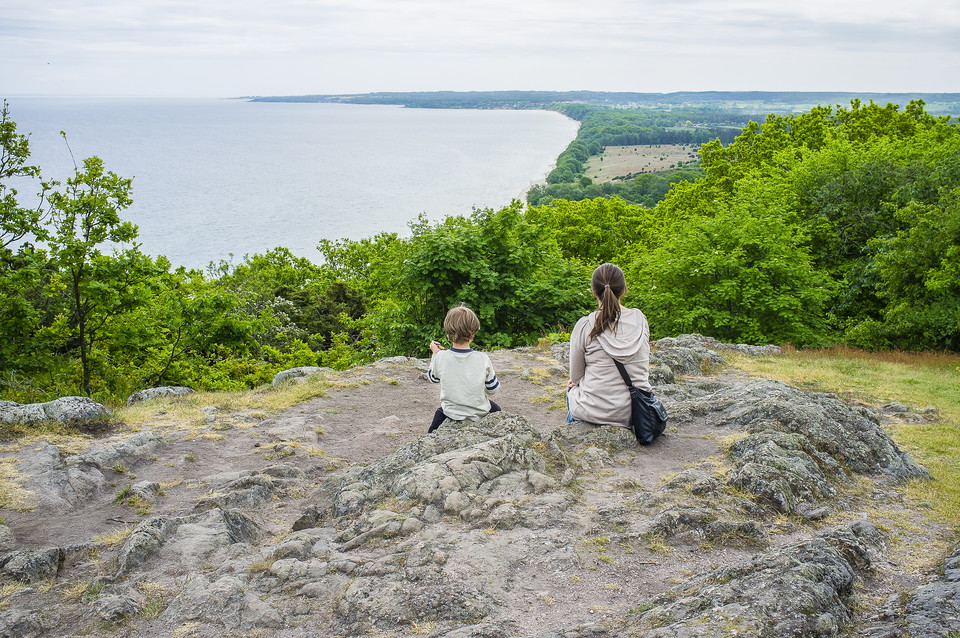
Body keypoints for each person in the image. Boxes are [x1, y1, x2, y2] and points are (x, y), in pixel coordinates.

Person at [567, 263, 651, 427]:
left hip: (592, 410)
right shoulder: (640, 320)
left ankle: (572, 438)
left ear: (594, 293)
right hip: (635, 411)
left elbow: (576, 377)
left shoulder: (585, 325)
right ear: (623, 291)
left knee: (570, 389)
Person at [426, 304, 501, 433]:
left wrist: (435, 354)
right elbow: (493, 389)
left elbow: (432, 378)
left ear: (448, 331)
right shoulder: (482, 358)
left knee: (432, 432)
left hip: (450, 412)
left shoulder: (441, 357)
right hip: (480, 410)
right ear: (473, 331)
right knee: (498, 411)